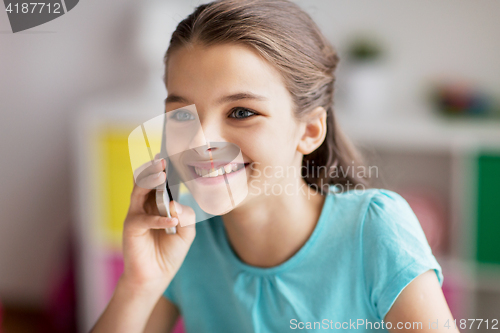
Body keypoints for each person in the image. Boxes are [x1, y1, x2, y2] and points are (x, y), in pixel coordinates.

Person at [91, 0, 459, 332]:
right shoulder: (183, 238)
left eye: (241, 113)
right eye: (182, 115)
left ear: (310, 130)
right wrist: (139, 284)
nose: (201, 143)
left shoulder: (374, 231)